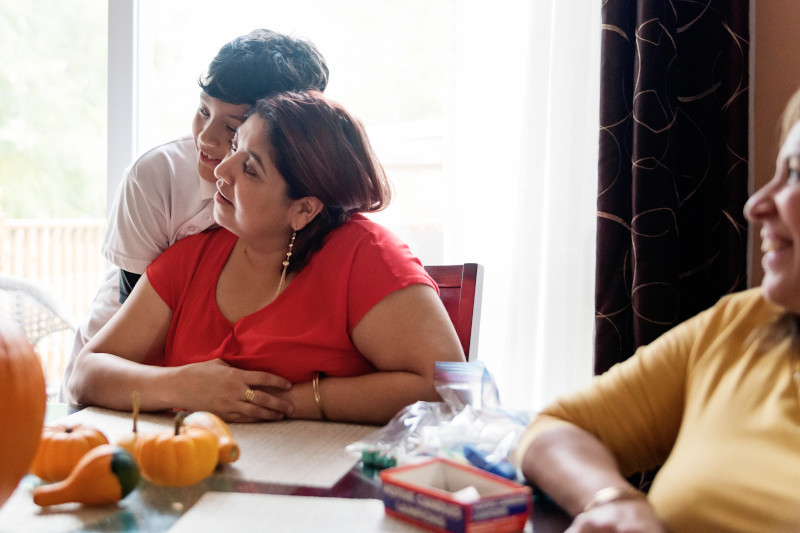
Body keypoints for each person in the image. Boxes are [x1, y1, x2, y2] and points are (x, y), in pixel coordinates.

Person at [67, 90, 466, 425]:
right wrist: (184, 385)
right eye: (236, 146)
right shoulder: (192, 256)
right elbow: (86, 373)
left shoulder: (365, 256)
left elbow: (448, 386)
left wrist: (285, 401)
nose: (222, 169)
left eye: (251, 168)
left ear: (304, 209)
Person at [514, 116, 800, 530]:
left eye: (794, 174)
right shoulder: (740, 324)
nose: (755, 205)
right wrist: (612, 501)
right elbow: (555, 427)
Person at [60, 29, 328, 403]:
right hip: (121, 371)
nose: (206, 137)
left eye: (233, 127)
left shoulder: (303, 192)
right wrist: (190, 387)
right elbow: (133, 305)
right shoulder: (157, 175)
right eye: (204, 110)